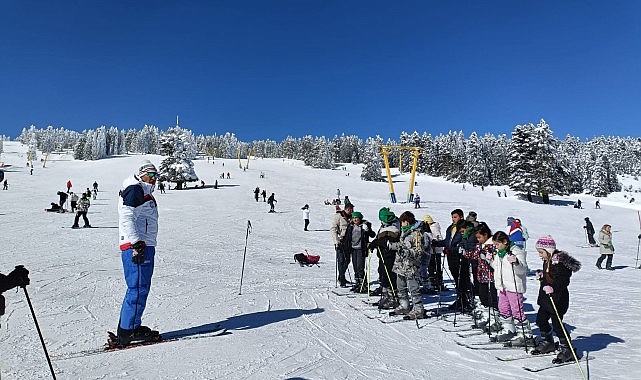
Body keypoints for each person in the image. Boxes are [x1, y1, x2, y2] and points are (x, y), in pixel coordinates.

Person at [116, 160, 160, 346]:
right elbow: (126, 215)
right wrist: (136, 243)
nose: (154, 179)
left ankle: (130, 326)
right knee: (138, 287)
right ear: (142, 174)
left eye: (156, 176)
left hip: (143, 244)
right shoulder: (136, 188)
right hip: (138, 245)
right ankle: (128, 331)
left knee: (140, 287)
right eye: (151, 175)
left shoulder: (143, 191)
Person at [531, 236, 582, 363]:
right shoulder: (548, 260)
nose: (540, 255)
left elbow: (563, 280)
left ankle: (567, 349)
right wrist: (542, 277)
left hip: (558, 299)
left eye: (541, 252)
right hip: (546, 299)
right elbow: (549, 277)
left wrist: (553, 288)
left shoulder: (561, 264)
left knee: (557, 324)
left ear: (549, 250)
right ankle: (548, 342)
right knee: (540, 320)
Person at [490, 231, 531, 345]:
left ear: (505, 242)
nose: (496, 247)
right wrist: (490, 260)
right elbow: (497, 267)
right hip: (503, 286)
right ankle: (509, 329)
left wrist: (516, 262)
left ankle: (525, 334)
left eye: (497, 244)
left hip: (514, 286)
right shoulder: (500, 253)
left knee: (517, 310)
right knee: (503, 308)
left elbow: (523, 270)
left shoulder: (517, 251)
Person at [432, 209, 471, 311]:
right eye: (452, 217)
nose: (453, 219)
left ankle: (466, 300)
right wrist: (438, 243)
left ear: (461, 217)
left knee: (463, 278)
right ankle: (460, 298)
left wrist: (452, 249)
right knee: (456, 277)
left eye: (455, 217)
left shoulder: (464, 228)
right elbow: (447, 241)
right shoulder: (450, 228)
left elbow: (463, 242)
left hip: (460, 256)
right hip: (451, 257)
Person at [389, 211, 426, 319]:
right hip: (400, 264)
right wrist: (392, 246)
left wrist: (407, 252)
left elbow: (419, 251)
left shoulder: (417, 234)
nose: (401, 224)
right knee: (400, 285)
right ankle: (404, 305)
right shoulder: (404, 232)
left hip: (410, 265)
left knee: (413, 287)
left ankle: (418, 309)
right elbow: (402, 245)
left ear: (407, 222)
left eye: (402, 222)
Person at [464, 222, 500, 331]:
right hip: (481, 276)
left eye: (479, 237)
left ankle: (495, 319)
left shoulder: (492, 245)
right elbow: (475, 254)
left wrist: (489, 258)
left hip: (490, 276)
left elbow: (496, 259)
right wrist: (466, 253)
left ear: (485, 235)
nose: (478, 240)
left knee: (491, 297)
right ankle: (487, 316)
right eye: (477, 238)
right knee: (483, 297)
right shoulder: (480, 245)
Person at [368, 208, 400, 309]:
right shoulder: (384, 226)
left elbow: (388, 241)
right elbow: (379, 238)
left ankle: (393, 298)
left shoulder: (394, 226)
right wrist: (374, 243)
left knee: (390, 276)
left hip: (390, 255)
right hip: (383, 255)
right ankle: (386, 296)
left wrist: (377, 243)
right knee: (383, 274)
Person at [342, 211, 375, 293]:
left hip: (361, 249)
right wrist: (343, 245)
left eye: (356, 218)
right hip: (353, 249)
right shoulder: (351, 226)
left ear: (360, 218)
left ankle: (363, 284)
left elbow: (372, 235)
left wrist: (367, 230)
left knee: (360, 267)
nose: (355, 219)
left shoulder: (365, 226)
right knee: (355, 266)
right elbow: (347, 237)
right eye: (353, 218)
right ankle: (358, 283)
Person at [331, 203, 354, 287]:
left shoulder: (352, 217)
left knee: (347, 260)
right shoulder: (339, 216)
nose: (351, 211)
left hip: (349, 241)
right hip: (341, 241)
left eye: (352, 210)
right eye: (349, 210)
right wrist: (336, 241)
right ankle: (341, 278)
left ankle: (341, 276)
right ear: (345, 209)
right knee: (341, 260)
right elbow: (333, 229)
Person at [422, 214, 445, 293]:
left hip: (435, 250)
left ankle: (437, 281)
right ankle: (435, 280)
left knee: (434, 266)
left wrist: (434, 243)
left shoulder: (434, 227)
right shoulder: (432, 227)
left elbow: (437, 237)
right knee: (432, 266)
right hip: (432, 250)